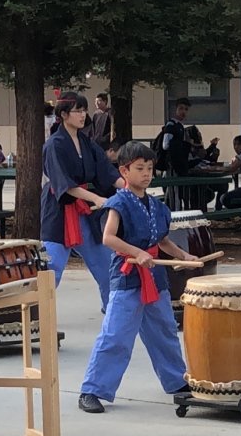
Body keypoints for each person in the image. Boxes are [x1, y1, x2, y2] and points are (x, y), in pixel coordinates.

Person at [77, 141, 193, 414]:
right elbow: (108, 238)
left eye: (150, 168)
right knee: (116, 335)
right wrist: (136, 252)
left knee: (165, 330)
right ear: (124, 171)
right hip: (128, 276)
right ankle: (92, 390)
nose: (146, 174)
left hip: (155, 277)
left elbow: (162, 240)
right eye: (139, 168)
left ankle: (177, 382)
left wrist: (182, 256)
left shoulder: (156, 205)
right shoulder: (118, 203)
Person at [42, 92, 119, 310]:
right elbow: (63, 184)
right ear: (64, 114)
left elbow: (105, 169)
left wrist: (131, 187)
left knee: (107, 266)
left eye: (84, 110)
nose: (83, 115)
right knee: (51, 270)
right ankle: (39, 324)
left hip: (84, 212)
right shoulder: (54, 145)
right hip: (58, 212)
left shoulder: (86, 142)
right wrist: (96, 197)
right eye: (78, 110)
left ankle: (113, 316)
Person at [158, 97, 193, 176]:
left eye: (186, 109)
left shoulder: (180, 126)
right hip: (172, 166)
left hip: (179, 163)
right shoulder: (171, 125)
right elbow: (165, 145)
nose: (183, 111)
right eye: (181, 108)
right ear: (176, 109)